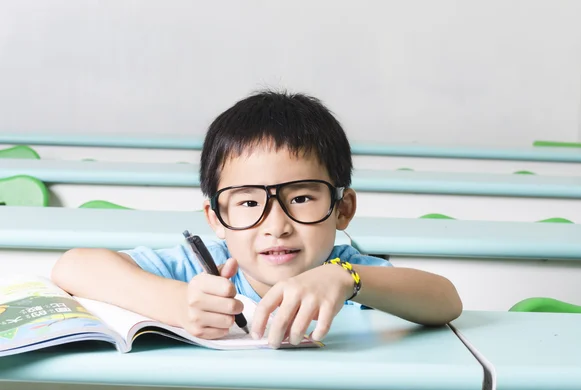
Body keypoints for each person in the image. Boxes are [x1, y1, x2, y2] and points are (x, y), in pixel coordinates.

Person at [52, 90, 462, 348]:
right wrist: (176, 303)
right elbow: (72, 266)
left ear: (343, 209)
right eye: (248, 203)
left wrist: (346, 280)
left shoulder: (344, 274)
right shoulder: (201, 269)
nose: (276, 224)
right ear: (216, 217)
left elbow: (446, 300)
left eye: (300, 197)